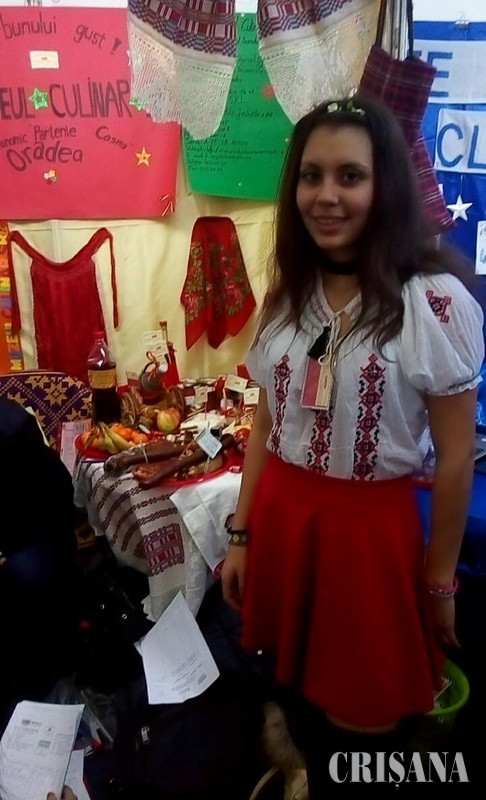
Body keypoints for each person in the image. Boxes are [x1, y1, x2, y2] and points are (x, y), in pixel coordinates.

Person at [221, 95, 484, 796]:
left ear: (385, 184)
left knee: (363, 723)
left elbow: (457, 457)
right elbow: (266, 425)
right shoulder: (289, 293)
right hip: (285, 521)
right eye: (311, 176)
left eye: (350, 176)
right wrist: (241, 534)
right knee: (299, 698)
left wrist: (439, 581)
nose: (326, 195)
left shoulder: (431, 301)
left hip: (368, 539)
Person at [0, 398, 81, 729]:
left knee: (28, 579)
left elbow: (57, 494)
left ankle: (39, 695)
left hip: (30, 535)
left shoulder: (12, 427)